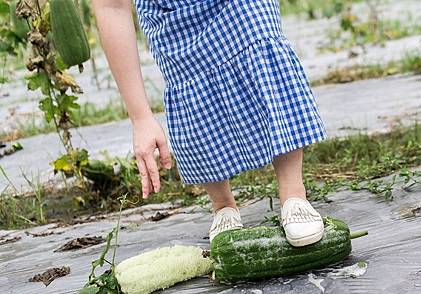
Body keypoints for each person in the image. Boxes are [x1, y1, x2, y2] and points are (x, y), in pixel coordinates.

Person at [92, 0, 328, 246]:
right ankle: (222, 204)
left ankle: (293, 194)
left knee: (259, 37)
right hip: (170, 12)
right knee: (192, 90)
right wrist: (140, 118)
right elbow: (111, 6)